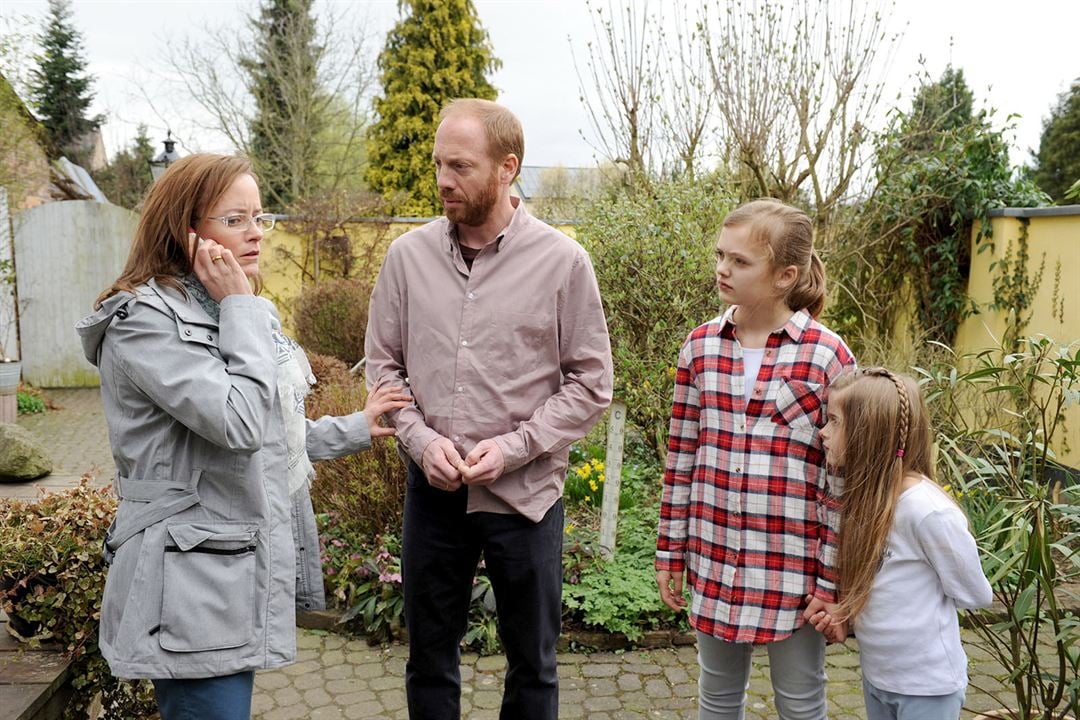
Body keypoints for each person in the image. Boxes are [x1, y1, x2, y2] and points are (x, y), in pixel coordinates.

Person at [76, 153, 410, 720]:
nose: (256, 232)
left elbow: (268, 434)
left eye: (260, 217)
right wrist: (239, 306)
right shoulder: (144, 323)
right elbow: (239, 423)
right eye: (235, 219)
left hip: (227, 571)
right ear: (185, 229)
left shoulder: (228, 311)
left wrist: (355, 427)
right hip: (189, 582)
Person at [364, 98, 613, 720]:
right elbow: (383, 369)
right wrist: (421, 442)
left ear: (508, 168)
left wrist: (513, 448)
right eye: (439, 164)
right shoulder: (406, 258)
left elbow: (591, 383)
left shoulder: (563, 262)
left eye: (461, 166)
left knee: (533, 667)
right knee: (428, 661)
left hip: (525, 497)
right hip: (434, 494)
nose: (444, 180)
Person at [655, 199, 856, 719]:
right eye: (721, 254)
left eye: (741, 261)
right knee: (717, 698)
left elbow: (839, 480)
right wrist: (670, 551)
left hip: (793, 572)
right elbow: (682, 456)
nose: (723, 268)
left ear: (786, 275)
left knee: (801, 702)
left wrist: (830, 580)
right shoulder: (699, 348)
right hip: (715, 557)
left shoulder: (826, 355)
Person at [806, 368, 992, 720]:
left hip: (927, 687)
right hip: (879, 677)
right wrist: (845, 614)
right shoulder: (866, 501)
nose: (823, 433)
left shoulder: (927, 512)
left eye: (833, 422)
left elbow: (975, 594)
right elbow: (885, 586)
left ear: (868, 434)